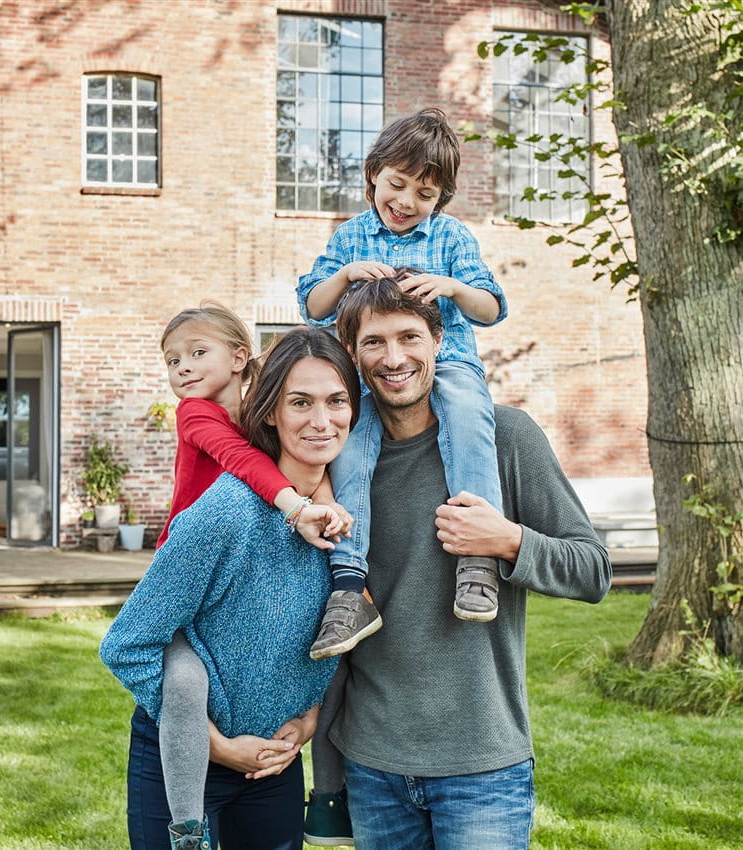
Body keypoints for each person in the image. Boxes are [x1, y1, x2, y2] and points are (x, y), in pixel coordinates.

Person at [303, 273, 612, 849]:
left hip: (482, 763)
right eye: (374, 342)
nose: (394, 358)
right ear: (351, 351)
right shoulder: (337, 458)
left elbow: (593, 570)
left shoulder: (506, 439)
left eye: (409, 337)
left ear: (439, 341)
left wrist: (508, 540)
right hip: (372, 762)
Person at [105, 314, 356, 850]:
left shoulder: (346, 520)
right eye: (300, 402)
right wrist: (214, 744)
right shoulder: (225, 513)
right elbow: (127, 645)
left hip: (274, 765)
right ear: (269, 412)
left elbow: (335, 634)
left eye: (336, 401)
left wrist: (308, 718)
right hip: (183, 758)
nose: (321, 421)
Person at [297, 108, 508, 662]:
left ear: (442, 199)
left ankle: (476, 557)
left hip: (449, 363)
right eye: (397, 184)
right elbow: (312, 305)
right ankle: (349, 584)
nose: (407, 201)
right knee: (351, 448)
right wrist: (344, 276)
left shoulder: (452, 238)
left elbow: (490, 308)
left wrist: (453, 287)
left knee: (467, 415)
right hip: (368, 376)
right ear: (374, 175)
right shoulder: (351, 237)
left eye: (425, 193)